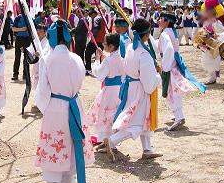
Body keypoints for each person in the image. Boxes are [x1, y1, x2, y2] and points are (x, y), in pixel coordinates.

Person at [34, 19, 94, 183]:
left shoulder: (47, 59)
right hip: (74, 104)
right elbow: (80, 83)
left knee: (54, 146)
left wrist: (45, 109)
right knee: (71, 145)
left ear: (51, 37)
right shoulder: (76, 58)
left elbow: (42, 90)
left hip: (55, 107)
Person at [108, 18, 162, 159]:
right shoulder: (143, 54)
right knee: (137, 123)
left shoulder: (131, 48)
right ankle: (112, 141)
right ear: (147, 34)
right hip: (141, 89)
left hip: (131, 86)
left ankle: (147, 149)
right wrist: (157, 77)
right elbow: (149, 81)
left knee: (144, 120)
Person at [158, 12, 205, 131]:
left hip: (170, 66)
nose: (159, 21)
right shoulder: (172, 32)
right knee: (174, 91)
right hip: (174, 63)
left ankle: (179, 117)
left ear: (167, 21)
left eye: (161, 19)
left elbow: (168, 50)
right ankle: (177, 115)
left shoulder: (165, 34)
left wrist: (165, 67)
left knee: (172, 92)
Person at [88, 33, 124, 151]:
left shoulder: (108, 60)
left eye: (105, 43)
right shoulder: (121, 57)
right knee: (114, 113)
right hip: (119, 89)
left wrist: (98, 59)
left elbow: (98, 74)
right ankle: (109, 140)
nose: (103, 44)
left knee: (105, 113)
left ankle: (108, 141)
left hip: (109, 90)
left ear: (111, 46)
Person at [198, 0, 224, 85]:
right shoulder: (206, 22)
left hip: (214, 45)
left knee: (213, 61)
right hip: (207, 45)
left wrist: (214, 34)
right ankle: (211, 76)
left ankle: (212, 77)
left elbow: (220, 32)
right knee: (206, 60)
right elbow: (203, 31)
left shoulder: (217, 22)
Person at [26, 22, 50, 96]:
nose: (38, 32)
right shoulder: (35, 41)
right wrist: (25, 50)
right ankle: (38, 100)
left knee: (43, 83)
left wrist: (40, 54)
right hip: (37, 65)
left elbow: (46, 52)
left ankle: (44, 100)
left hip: (44, 66)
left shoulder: (47, 42)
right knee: (36, 82)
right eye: (37, 30)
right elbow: (30, 49)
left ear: (45, 32)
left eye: (40, 31)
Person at [12, 10, 31, 81]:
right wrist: (22, 29)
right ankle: (15, 74)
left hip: (27, 39)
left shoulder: (29, 17)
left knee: (26, 57)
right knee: (17, 57)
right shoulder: (18, 18)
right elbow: (13, 29)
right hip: (19, 39)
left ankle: (25, 74)